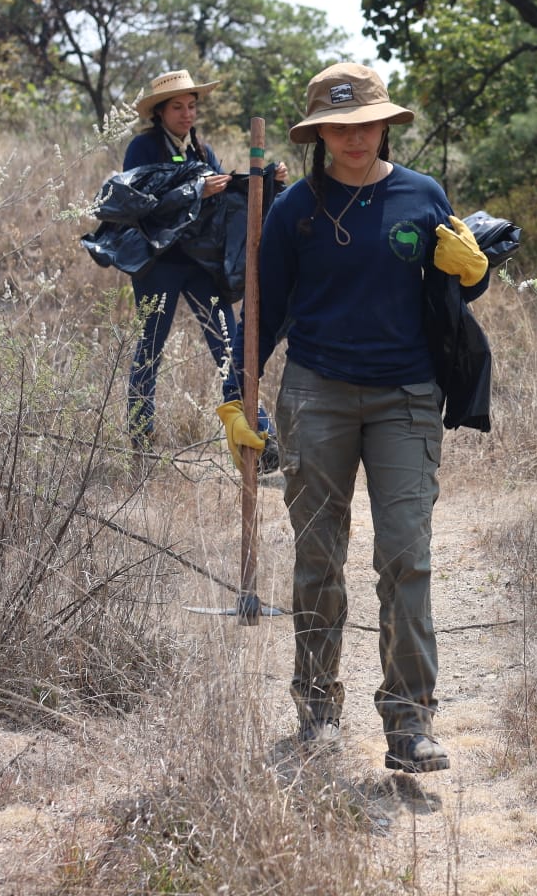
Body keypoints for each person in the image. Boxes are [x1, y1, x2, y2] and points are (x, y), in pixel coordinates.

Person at [216, 62, 491, 774]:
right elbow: (264, 313)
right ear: (320, 134)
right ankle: (316, 713)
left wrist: (475, 269)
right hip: (317, 397)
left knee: (406, 557)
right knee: (318, 560)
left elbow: (462, 285)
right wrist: (234, 395)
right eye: (339, 126)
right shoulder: (294, 210)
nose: (355, 136)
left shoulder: (422, 195)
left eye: (365, 123)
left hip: (407, 398)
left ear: (385, 124)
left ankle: (410, 726)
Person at [121, 68, 284, 452]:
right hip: (157, 265)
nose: (187, 114)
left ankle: (258, 436)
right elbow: (137, 203)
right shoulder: (142, 149)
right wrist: (196, 189)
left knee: (229, 345)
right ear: (159, 112)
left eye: (192, 106)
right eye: (177, 107)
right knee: (150, 348)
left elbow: (225, 199)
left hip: (200, 267)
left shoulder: (202, 150)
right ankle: (141, 442)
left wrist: (268, 179)